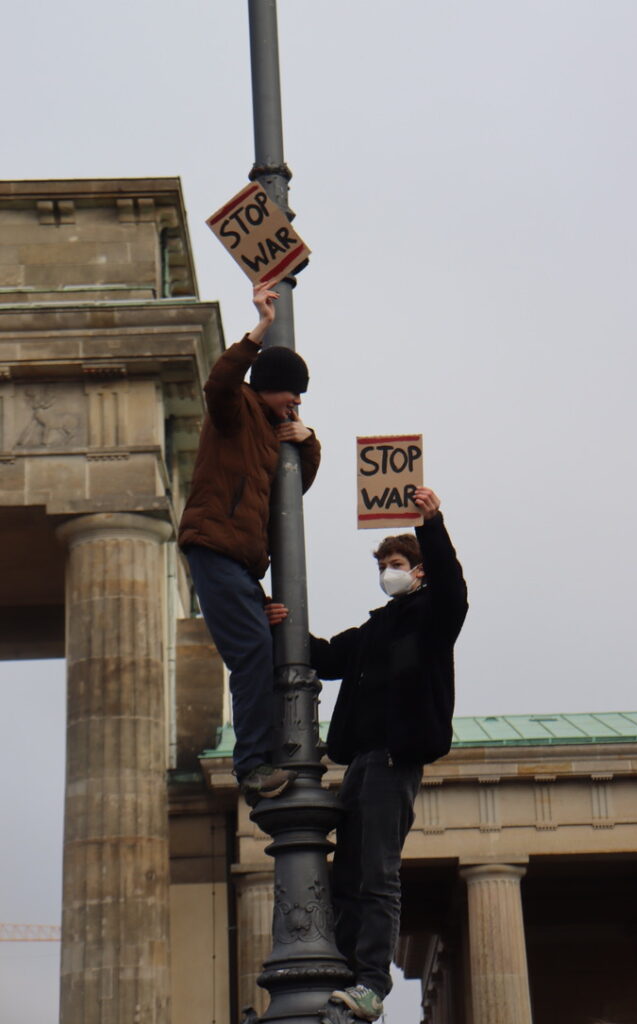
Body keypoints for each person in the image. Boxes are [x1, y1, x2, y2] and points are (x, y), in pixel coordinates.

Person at [266, 487, 468, 1022]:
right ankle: (351, 972)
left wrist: (432, 524)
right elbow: (327, 656)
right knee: (350, 875)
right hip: (361, 762)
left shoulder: (432, 616)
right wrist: (281, 623)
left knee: (376, 875)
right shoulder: (377, 628)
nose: (388, 572)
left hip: (395, 760)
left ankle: (371, 984)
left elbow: (455, 591)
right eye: (383, 565)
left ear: (419, 571)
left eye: (397, 564)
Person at [179, 282, 321, 801]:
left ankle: (263, 756)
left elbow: (291, 495)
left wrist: (308, 444)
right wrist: (259, 330)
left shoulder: (272, 433)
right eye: (293, 392)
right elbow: (218, 381)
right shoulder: (236, 407)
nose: (297, 402)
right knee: (254, 657)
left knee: (264, 644)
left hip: (240, 565)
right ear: (270, 386)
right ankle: (253, 767)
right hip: (214, 548)